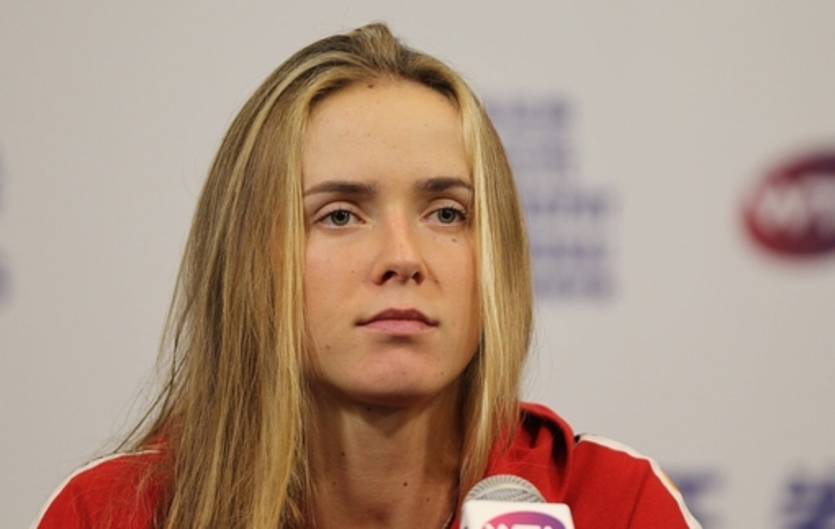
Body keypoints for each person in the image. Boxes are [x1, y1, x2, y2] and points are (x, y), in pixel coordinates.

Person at [31, 23, 701, 529]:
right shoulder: (111, 513)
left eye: (447, 213)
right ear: (248, 260)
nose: (403, 257)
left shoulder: (611, 502)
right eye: (340, 215)